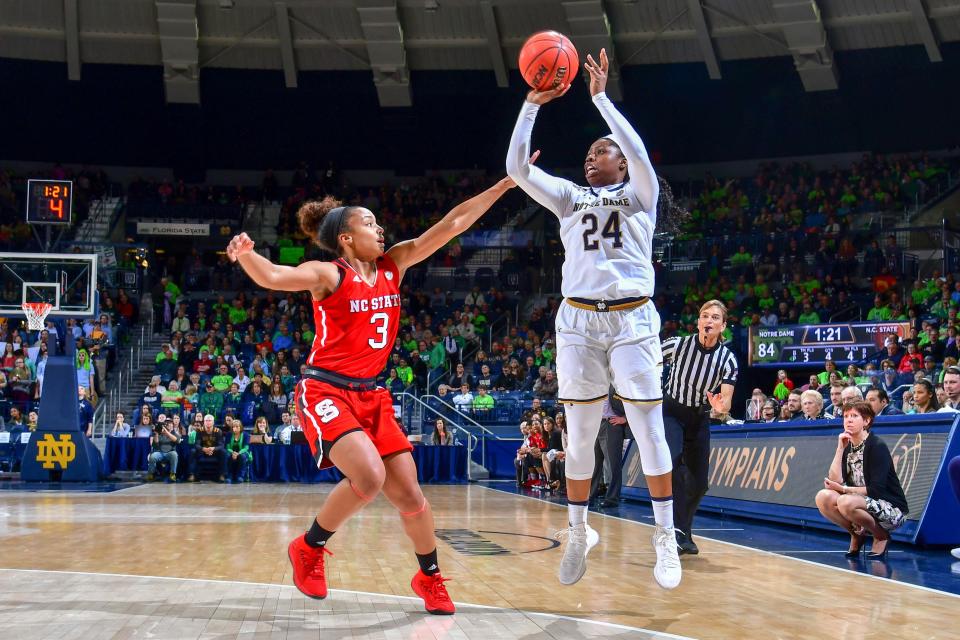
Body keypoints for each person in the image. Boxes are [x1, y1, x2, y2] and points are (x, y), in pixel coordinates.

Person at [227, 173, 521, 614]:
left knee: (412, 498)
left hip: (372, 394)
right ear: (346, 238)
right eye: (369, 223)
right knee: (368, 477)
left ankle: (430, 578)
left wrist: (502, 187)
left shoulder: (393, 265)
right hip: (325, 387)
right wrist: (247, 255)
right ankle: (309, 548)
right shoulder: (327, 273)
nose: (380, 228)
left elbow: (454, 223)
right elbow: (273, 275)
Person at [507, 47, 685, 589]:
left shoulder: (641, 195)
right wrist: (531, 104)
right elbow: (516, 169)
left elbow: (639, 149)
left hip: (632, 319)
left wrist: (601, 100)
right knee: (579, 436)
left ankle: (664, 535)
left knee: (648, 427)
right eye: (588, 151)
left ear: (622, 164)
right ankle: (579, 529)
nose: (592, 156)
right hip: (578, 322)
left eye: (601, 151)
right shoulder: (568, 198)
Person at [661, 301, 738, 555]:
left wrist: (720, 406)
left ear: (723, 326)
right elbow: (645, 358)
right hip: (671, 412)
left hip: (699, 417)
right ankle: (677, 531)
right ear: (697, 322)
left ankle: (682, 528)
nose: (709, 320)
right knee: (672, 465)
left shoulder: (728, 359)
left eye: (715, 317)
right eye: (704, 316)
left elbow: (725, 402)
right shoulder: (678, 344)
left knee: (700, 482)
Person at [815, 401, 908, 559]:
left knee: (845, 501)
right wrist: (840, 449)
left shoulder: (876, 445)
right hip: (858, 502)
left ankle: (881, 535)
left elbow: (876, 490)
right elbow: (834, 480)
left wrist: (845, 490)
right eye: (846, 416)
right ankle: (856, 534)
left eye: (854, 416)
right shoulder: (848, 447)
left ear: (867, 421)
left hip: (890, 509)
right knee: (823, 497)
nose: (848, 420)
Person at [589, 389, 631, 508]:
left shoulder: (617, 384)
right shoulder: (597, 384)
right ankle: (590, 495)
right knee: (594, 464)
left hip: (612, 424)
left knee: (612, 464)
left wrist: (625, 418)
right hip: (596, 424)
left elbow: (632, 402)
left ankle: (612, 498)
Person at [189, 414, 226, 482]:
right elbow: (197, 444)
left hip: (214, 452)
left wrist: (213, 448)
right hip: (202, 452)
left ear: (213, 422)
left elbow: (221, 445)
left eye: (210, 420)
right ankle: (192, 474)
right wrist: (203, 449)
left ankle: (222, 475)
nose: (208, 422)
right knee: (193, 451)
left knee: (223, 452)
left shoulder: (218, 431)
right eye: (206, 420)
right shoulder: (199, 430)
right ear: (204, 422)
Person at [146, 414, 180, 483]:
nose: (168, 425)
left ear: (172, 426)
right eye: (167, 424)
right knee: (152, 456)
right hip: (160, 452)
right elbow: (156, 444)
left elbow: (177, 440)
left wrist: (167, 432)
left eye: (170, 424)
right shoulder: (160, 433)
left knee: (174, 455)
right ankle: (151, 474)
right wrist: (156, 434)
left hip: (170, 452)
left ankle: (172, 474)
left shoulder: (175, 433)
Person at [225, 418, 251, 483]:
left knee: (243, 456)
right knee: (227, 455)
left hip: (242, 452)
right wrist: (233, 452)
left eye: (237, 427)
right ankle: (229, 476)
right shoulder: (229, 434)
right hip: (231, 451)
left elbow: (246, 448)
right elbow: (227, 447)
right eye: (234, 427)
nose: (235, 428)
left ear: (240, 427)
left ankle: (240, 476)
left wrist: (238, 453)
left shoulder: (246, 435)